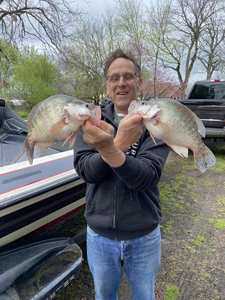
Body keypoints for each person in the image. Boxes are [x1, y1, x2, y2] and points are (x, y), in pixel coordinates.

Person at [74, 48, 170, 300]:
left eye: (128, 76)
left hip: (144, 235)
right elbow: (85, 170)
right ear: (107, 85)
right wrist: (119, 144)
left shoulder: (155, 120)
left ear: (139, 82)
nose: (121, 83)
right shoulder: (90, 120)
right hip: (99, 236)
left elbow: (148, 177)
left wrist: (111, 148)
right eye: (114, 78)